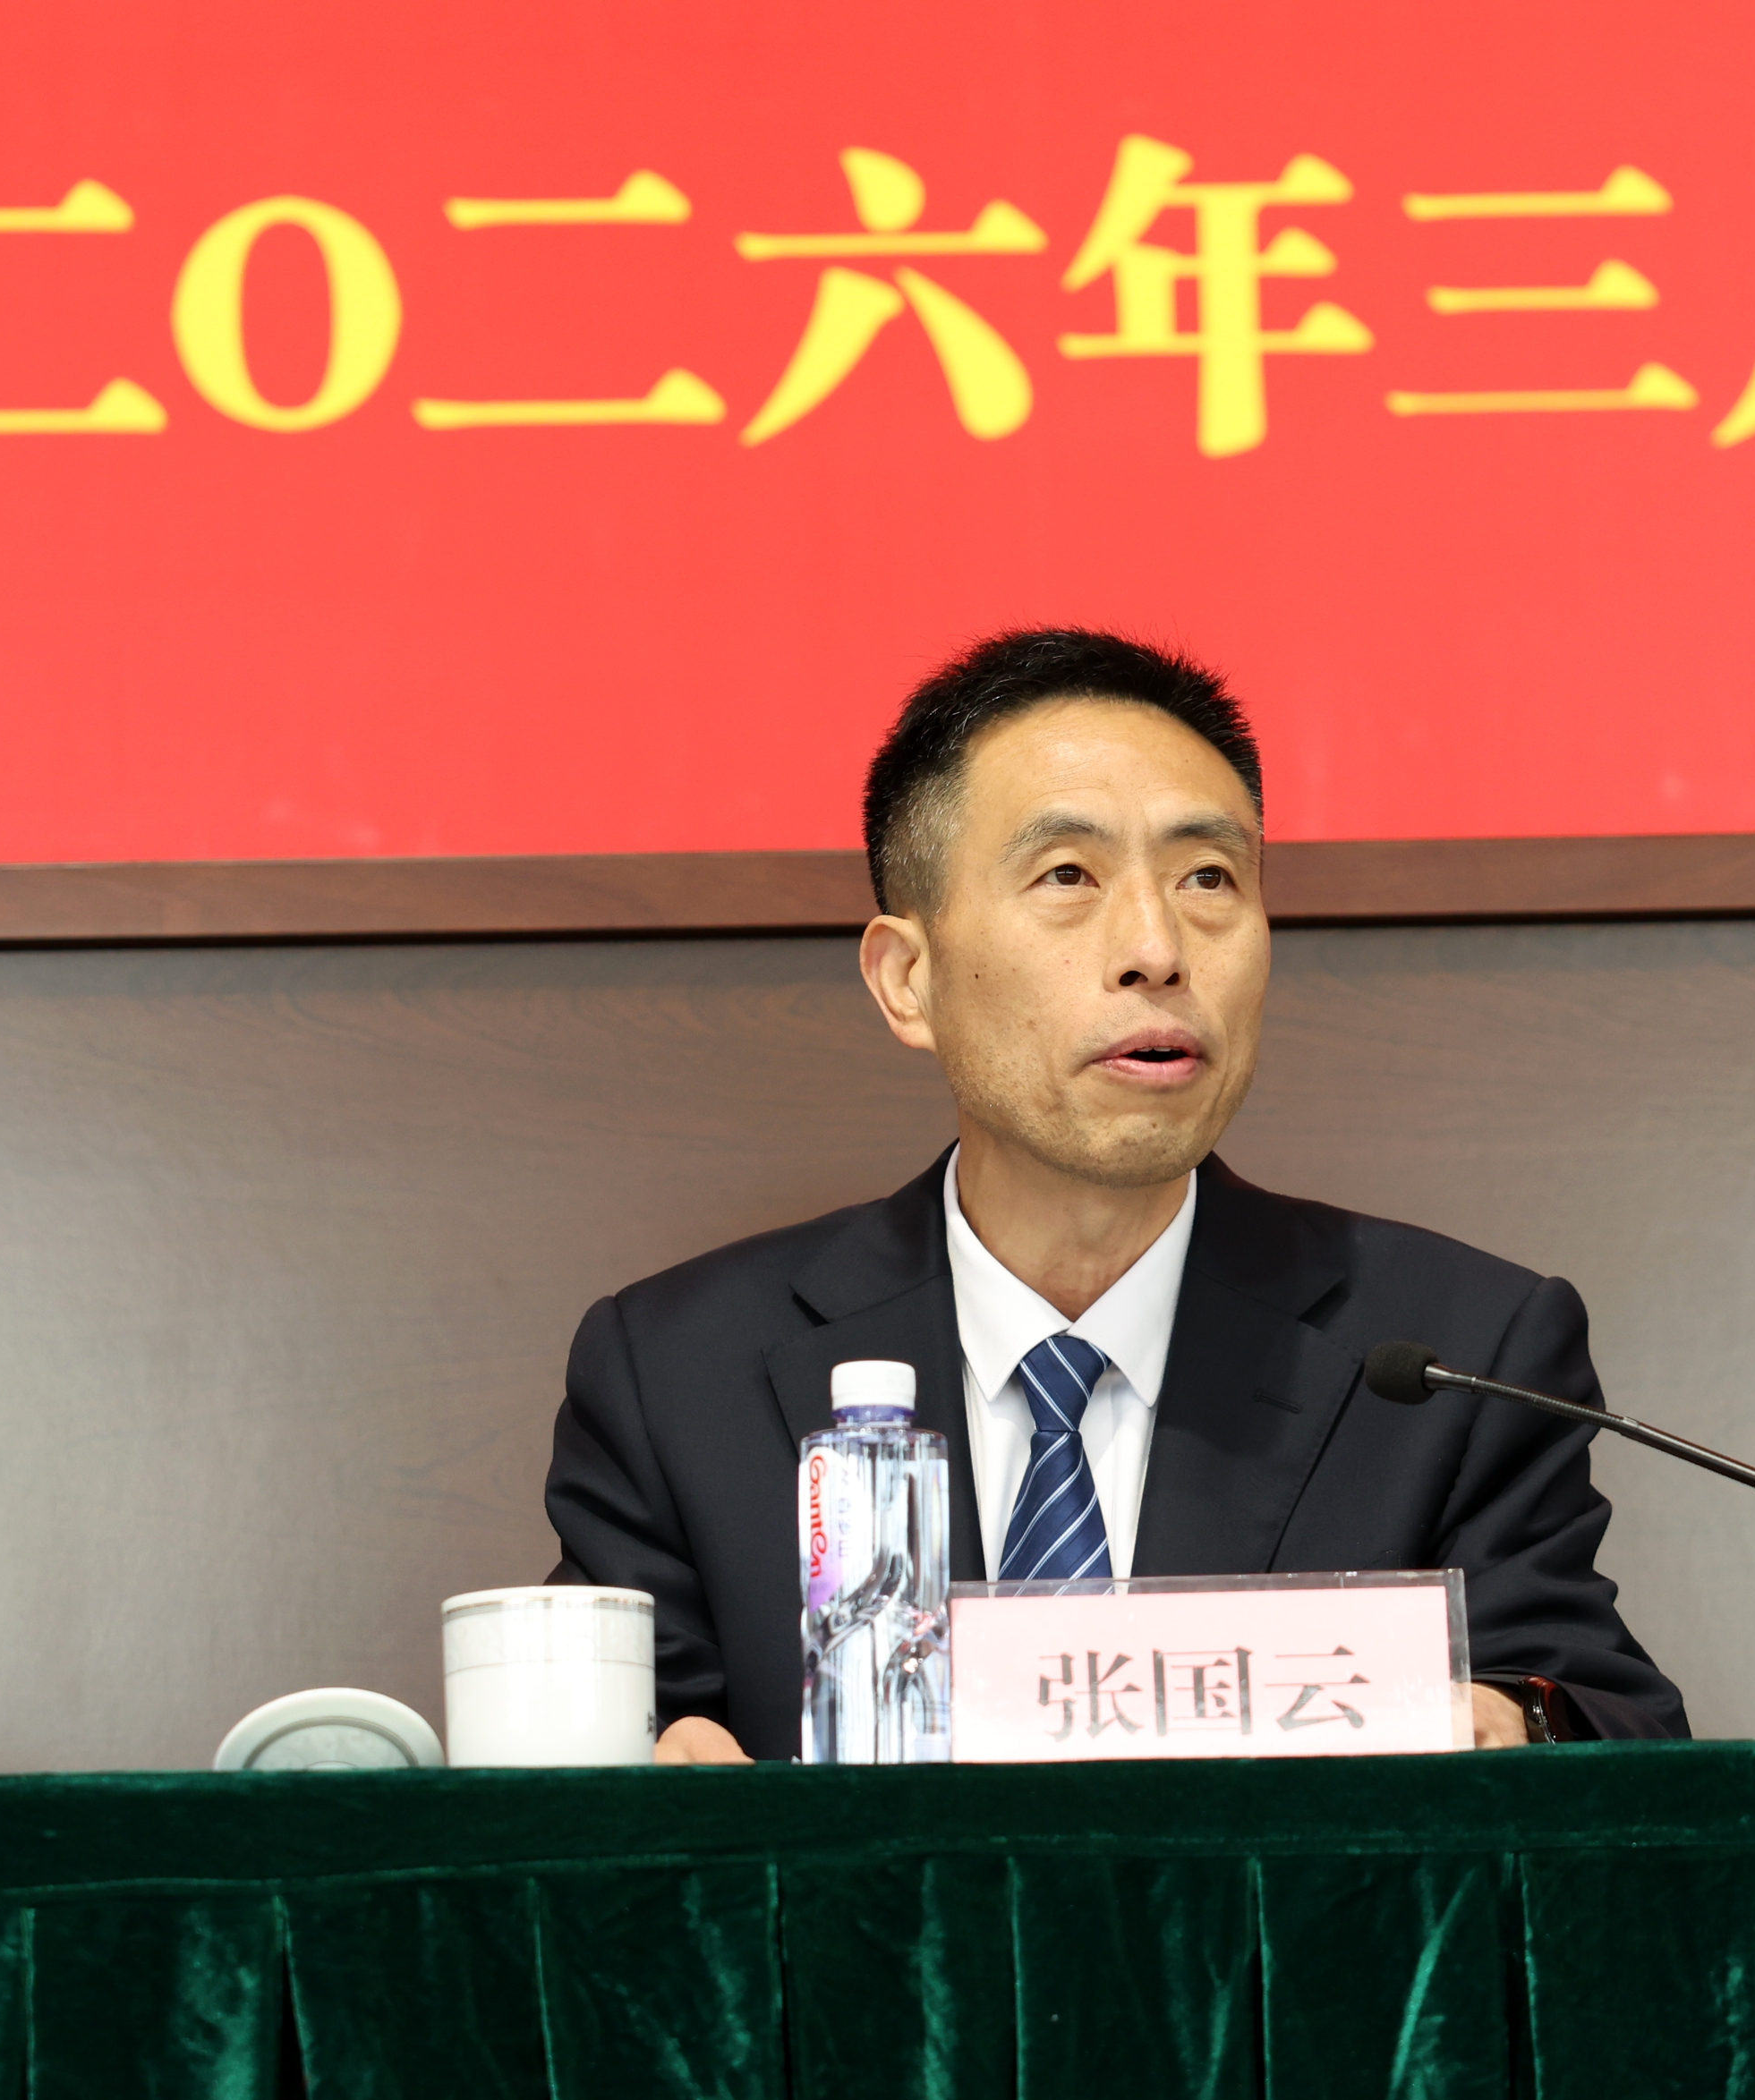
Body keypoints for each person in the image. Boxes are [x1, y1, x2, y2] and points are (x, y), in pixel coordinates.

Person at [544, 627, 1687, 1759]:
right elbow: (593, 1747)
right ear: (908, 979)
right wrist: (646, 1781)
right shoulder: (679, 1375)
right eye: (1068, 876)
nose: (1157, 947)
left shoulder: (1456, 1358)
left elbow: (1599, 1715)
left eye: (1208, 878)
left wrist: (1512, 1725)